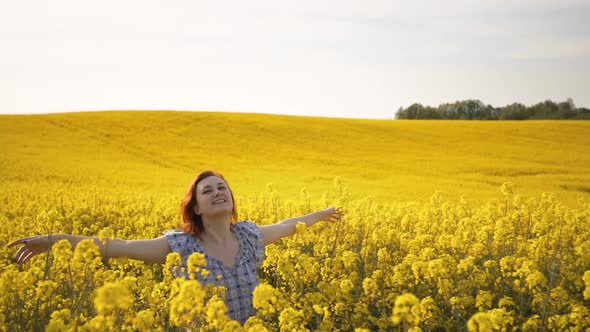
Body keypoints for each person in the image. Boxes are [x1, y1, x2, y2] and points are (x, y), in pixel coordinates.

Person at [7, 170, 343, 325]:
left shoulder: (249, 237)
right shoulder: (179, 247)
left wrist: (321, 214)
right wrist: (51, 241)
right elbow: (117, 246)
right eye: (208, 190)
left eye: (222, 187)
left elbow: (287, 226)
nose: (218, 192)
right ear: (195, 207)